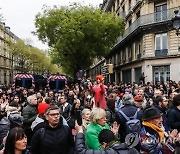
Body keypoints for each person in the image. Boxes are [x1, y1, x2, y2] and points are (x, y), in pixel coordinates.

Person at [75, 123, 139, 154]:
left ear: (104, 144)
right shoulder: (133, 150)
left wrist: (80, 132)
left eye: (101, 145)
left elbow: (81, 151)